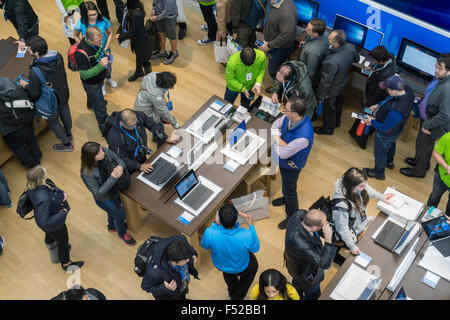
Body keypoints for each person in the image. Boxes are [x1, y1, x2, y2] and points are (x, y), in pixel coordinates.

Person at [19, 36, 74, 152]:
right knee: (65, 111)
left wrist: (26, 86)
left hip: (50, 101)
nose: (28, 51)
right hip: (63, 92)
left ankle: (66, 143)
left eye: (29, 49)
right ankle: (69, 133)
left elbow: (34, 94)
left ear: (36, 52)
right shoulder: (58, 56)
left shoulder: (35, 72)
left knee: (53, 121)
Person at [400, 53, 450, 178]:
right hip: (426, 119)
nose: (435, 71)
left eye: (439, 68)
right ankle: (420, 162)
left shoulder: (448, 88)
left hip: (431, 124)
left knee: (424, 146)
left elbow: (445, 115)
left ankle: (418, 171)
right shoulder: (440, 78)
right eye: (436, 67)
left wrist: (427, 125)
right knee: (422, 144)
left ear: (449, 71)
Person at [26, 165, 84, 271]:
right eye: (44, 171)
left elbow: (51, 195)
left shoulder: (32, 187)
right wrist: (63, 212)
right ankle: (66, 264)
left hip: (50, 220)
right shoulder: (43, 198)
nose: (46, 169)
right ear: (41, 178)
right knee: (63, 241)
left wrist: (62, 196)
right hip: (54, 223)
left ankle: (53, 250)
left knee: (51, 235)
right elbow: (44, 222)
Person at [331, 167, 392, 264]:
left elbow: (367, 188)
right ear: (352, 187)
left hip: (357, 223)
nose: (365, 187)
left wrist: (382, 197)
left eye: (365, 184)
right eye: (361, 186)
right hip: (347, 229)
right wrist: (352, 246)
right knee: (336, 247)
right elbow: (342, 229)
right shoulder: (341, 205)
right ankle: (334, 256)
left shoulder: (354, 185)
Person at [80, 141, 136, 246]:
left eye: (102, 150)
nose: (104, 153)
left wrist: (121, 166)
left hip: (114, 189)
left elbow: (117, 158)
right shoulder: (86, 173)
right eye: (100, 154)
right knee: (121, 215)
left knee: (113, 212)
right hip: (105, 199)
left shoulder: (103, 151)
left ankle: (111, 226)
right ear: (92, 158)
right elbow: (98, 193)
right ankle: (122, 233)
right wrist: (113, 177)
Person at [271, 96, 314, 230]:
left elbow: (282, 153)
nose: (284, 110)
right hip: (284, 160)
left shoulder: (303, 136)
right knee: (286, 184)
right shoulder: (290, 117)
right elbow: (274, 125)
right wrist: (281, 142)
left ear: (295, 114)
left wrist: (276, 141)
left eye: (287, 109)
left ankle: (292, 216)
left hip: (292, 165)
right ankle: (285, 197)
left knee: (290, 189)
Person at [201, 204, 260, 300]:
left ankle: (232, 292)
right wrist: (251, 226)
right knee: (254, 266)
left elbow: (205, 245)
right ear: (237, 218)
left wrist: (215, 223)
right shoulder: (246, 234)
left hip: (223, 266)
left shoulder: (210, 232)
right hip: (242, 267)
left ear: (219, 218)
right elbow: (255, 248)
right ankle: (237, 297)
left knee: (229, 276)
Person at [362, 74, 414, 180]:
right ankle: (389, 161)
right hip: (395, 129)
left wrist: (371, 121)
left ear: (394, 90)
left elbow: (385, 128)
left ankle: (379, 172)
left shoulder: (396, 111)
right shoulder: (407, 90)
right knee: (391, 144)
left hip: (386, 132)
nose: (386, 91)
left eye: (387, 89)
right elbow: (390, 99)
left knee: (380, 151)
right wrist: (379, 105)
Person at [105, 109, 181, 174]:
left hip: (142, 157)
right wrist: (138, 166)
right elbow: (120, 158)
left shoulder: (138, 116)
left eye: (136, 123)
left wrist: (165, 137)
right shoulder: (114, 136)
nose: (134, 126)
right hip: (129, 166)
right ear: (122, 123)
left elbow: (152, 124)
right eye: (131, 126)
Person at [284, 209, 337, 300]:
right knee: (313, 294)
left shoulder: (300, 214)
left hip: (295, 264)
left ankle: (297, 293)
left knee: (296, 282)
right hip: (306, 273)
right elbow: (324, 264)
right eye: (323, 224)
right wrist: (328, 238)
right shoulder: (299, 241)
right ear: (313, 227)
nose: (326, 224)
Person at [314, 30, 359, 135]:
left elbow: (325, 82)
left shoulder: (331, 61)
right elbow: (356, 59)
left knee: (329, 108)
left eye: (330, 38)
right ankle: (337, 122)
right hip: (342, 83)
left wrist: (320, 95)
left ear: (335, 43)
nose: (328, 38)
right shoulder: (351, 48)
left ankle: (328, 129)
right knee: (338, 104)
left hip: (332, 89)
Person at [74, 1, 118, 91]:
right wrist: (81, 45)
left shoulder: (103, 20)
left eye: (95, 14)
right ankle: (102, 84)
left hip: (105, 49)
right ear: (85, 15)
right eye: (90, 15)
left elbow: (110, 33)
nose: (94, 17)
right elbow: (75, 35)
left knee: (108, 67)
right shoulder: (81, 22)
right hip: (91, 53)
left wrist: (105, 48)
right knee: (96, 68)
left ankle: (109, 78)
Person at [0, 77, 42, 168]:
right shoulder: (18, 90)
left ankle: (31, 165)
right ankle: (37, 157)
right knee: (31, 140)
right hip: (26, 121)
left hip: (12, 131)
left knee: (18, 147)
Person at [74, 26, 110, 133]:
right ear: (89, 40)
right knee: (100, 108)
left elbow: (97, 53)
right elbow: (84, 75)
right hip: (92, 83)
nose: (101, 40)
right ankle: (105, 130)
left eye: (102, 37)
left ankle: (91, 103)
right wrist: (101, 66)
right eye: (99, 40)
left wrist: (104, 53)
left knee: (94, 97)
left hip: (99, 78)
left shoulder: (95, 42)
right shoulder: (81, 53)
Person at [141, 236, 199, 300]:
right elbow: (145, 287)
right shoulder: (154, 272)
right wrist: (164, 288)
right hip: (169, 296)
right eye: (184, 261)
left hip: (182, 286)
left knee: (182, 295)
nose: (188, 260)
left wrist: (193, 254)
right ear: (173, 262)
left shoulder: (181, 243)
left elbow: (189, 248)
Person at [260, 0, 297, 80]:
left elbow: (286, 36)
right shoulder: (272, 1)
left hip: (280, 49)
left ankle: (278, 88)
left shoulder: (286, 12)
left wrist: (269, 45)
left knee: (274, 70)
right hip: (271, 43)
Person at [133, 71, 180, 136]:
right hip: (145, 114)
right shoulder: (157, 98)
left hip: (140, 102)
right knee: (158, 127)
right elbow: (163, 111)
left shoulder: (152, 75)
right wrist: (174, 123)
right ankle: (160, 142)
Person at [116, 0, 152, 82]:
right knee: (138, 55)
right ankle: (139, 72)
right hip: (135, 39)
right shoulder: (126, 6)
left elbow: (132, 32)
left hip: (141, 40)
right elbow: (123, 22)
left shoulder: (137, 14)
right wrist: (119, 31)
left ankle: (148, 79)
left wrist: (120, 36)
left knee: (144, 60)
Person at [299, 18, 329, 91]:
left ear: (315, 34)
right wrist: (307, 43)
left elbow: (310, 72)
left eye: (308, 29)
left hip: (310, 76)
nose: (306, 29)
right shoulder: (325, 33)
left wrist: (301, 85)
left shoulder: (313, 52)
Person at [426, 132, 450, 216]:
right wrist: (446, 167)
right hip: (441, 176)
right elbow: (436, 153)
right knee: (434, 197)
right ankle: (428, 215)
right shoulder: (447, 138)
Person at [150, 0, 179, 65]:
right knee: (161, 33)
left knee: (171, 36)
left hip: (169, 17)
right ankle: (162, 51)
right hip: (159, 12)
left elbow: (167, 11)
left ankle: (174, 52)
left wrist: (157, 18)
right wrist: (154, 8)